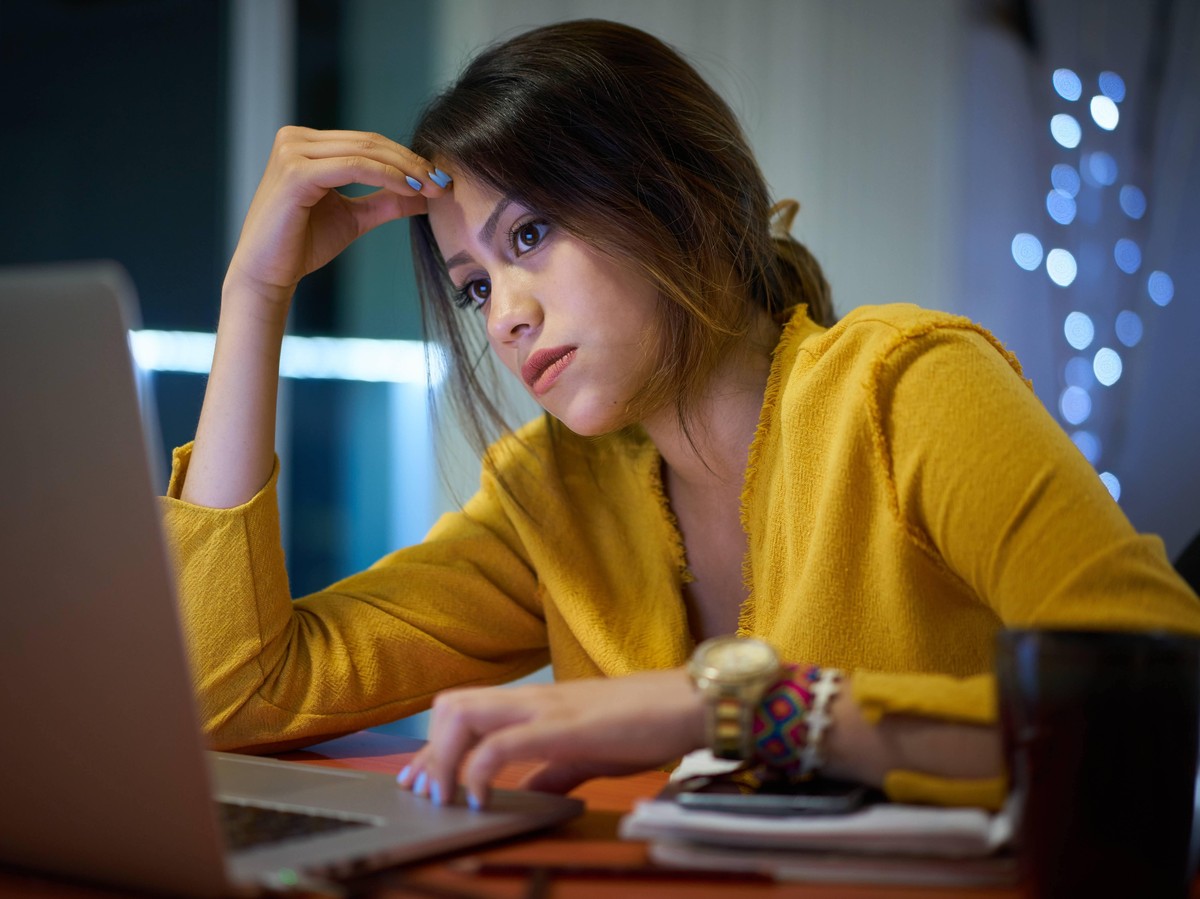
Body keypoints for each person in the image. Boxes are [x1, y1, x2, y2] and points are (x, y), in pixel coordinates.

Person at [162, 19, 1200, 814]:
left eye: (531, 234)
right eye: (474, 286)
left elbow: (1161, 702)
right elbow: (231, 696)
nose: (506, 315)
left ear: (677, 194)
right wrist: (254, 296)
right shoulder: (551, 495)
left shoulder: (906, 388)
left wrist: (739, 709)